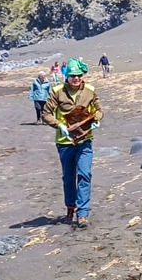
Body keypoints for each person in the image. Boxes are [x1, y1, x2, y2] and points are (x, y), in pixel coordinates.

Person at [42, 58, 103, 228]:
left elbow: (98, 110)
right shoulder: (57, 91)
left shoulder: (90, 90)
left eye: (79, 75)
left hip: (84, 140)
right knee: (69, 177)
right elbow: (46, 114)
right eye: (72, 75)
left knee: (84, 174)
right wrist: (59, 125)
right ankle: (71, 206)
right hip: (64, 142)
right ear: (67, 76)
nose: (76, 78)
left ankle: (82, 214)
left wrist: (97, 119)